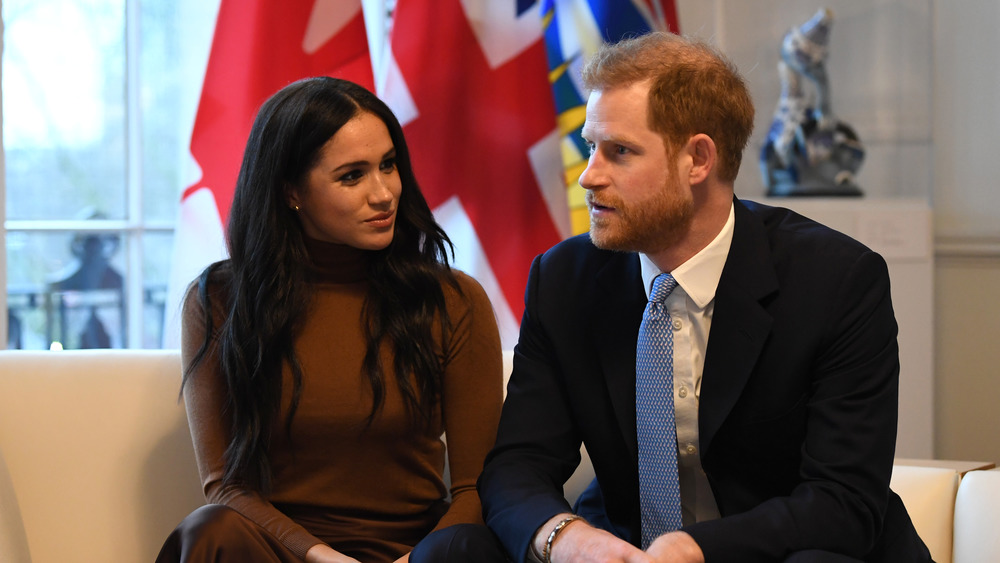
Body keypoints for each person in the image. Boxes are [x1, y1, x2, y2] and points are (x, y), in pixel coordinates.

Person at [478, 32, 932, 563]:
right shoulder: (564, 279)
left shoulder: (837, 281)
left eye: (619, 152)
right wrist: (566, 538)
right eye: (590, 147)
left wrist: (694, 549)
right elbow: (517, 465)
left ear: (698, 159)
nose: (588, 176)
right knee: (456, 549)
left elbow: (843, 502)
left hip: (787, 551)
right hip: (625, 549)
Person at [156, 77, 505, 563]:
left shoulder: (453, 299)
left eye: (388, 165)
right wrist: (320, 556)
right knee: (210, 529)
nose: (383, 194)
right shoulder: (218, 299)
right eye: (352, 176)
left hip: (418, 553)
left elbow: (476, 486)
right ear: (291, 191)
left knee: (468, 546)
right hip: (284, 552)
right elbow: (225, 485)